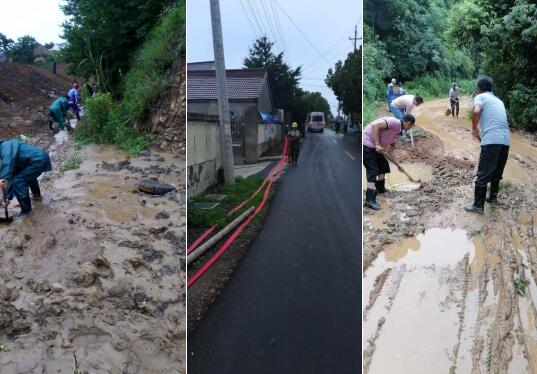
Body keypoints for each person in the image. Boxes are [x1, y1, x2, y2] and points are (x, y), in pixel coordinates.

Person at [465, 76, 510, 213]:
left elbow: (477, 111)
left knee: (483, 173)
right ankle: (493, 198)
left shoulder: (481, 97)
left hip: (491, 139)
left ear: (479, 89)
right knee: (496, 172)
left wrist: (474, 129)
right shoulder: (499, 101)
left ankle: (478, 205)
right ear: (491, 88)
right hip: (505, 140)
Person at [363, 114, 416, 210]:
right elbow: (375, 125)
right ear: (408, 123)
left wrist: (398, 165)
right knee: (373, 171)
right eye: (411, 126)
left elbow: (391, 152)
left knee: (383, 166)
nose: (410, 128)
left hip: (378, 148)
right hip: (367, 143)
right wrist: (377, 144)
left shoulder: (398, 133)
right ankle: (369, 200)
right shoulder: (394, 122)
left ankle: (380, 189)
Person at [0, 139, 52, 218]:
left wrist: (2, 177)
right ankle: (37, 196)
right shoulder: (6, 146)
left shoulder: (5, 146)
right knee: (27, 176)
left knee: (18, 181)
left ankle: (26, 211)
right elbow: (12, 174)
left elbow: (7, 162)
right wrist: (7, 197)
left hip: (38, 160)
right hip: (35, 160)